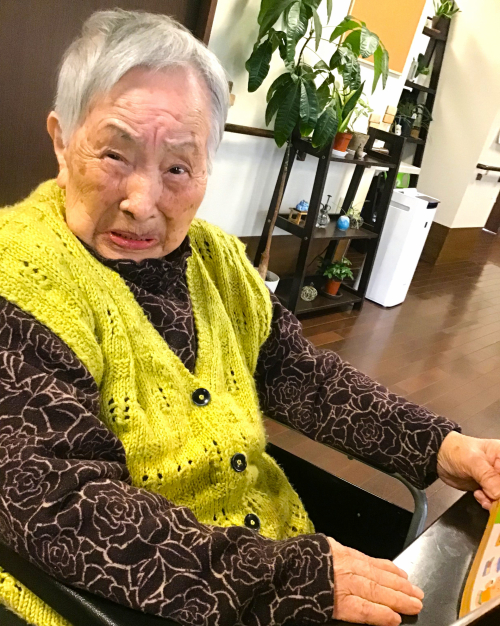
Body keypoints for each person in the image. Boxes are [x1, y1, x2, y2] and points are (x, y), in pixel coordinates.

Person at [0, 10, 499, 626]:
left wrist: (441, 445)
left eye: (178, 167)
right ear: (61, 140)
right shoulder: (19, 276)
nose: (142, 202)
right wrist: (283, 580)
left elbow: (299, 373)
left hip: (270, 559)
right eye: (114, 154)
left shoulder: (214, 257)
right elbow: (56, 504)